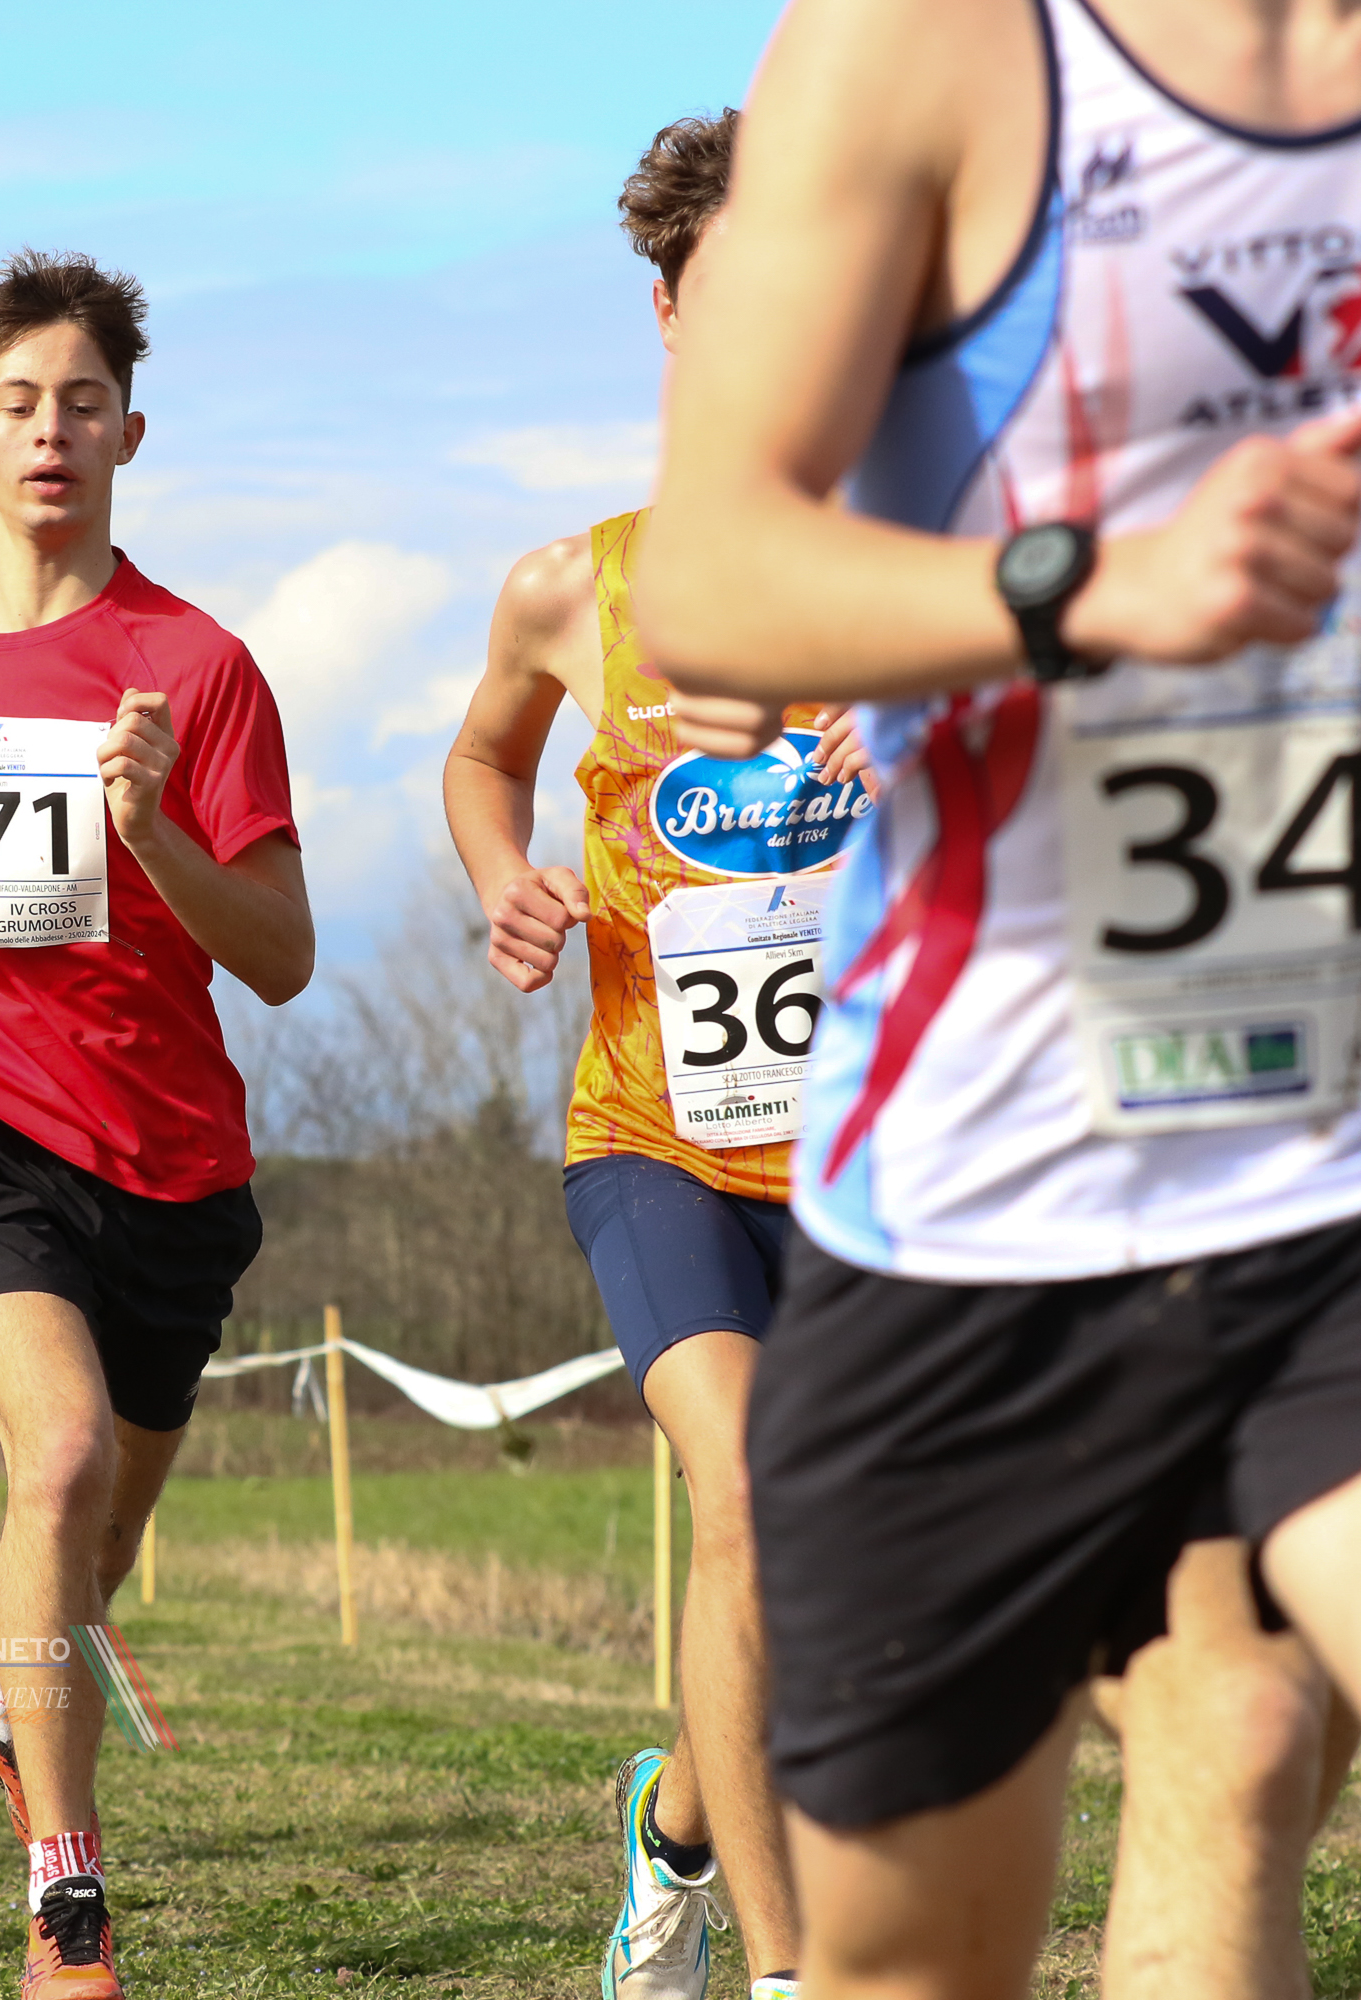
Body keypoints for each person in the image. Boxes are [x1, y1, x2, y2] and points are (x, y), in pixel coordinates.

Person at [633, 2, 1361, 1995]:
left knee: (1242, 1741)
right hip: (994, 1201)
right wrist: (1087, 590)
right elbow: (709, 578)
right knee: (914, 1959)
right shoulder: (936, 43)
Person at [0, 251, 310, 2000]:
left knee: (89, 1557)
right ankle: (67, 1898)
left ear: (129, 435)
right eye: (18, 404)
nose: (50, 432)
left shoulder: (198, 665)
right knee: (63, 1457)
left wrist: (157, 829)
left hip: (168, 1154)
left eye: (82, 404)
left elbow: (282, 956)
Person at [440, 114, 860, 2000]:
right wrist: (504, 875)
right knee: (747, 1499)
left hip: (880, 1157)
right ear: (673, 311)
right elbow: (483, 756)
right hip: (657, 1143)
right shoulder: (575, 588)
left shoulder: (923, 578)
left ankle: (674, 1820)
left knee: (823, 1570)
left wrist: (926, 739)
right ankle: (790, 1971)